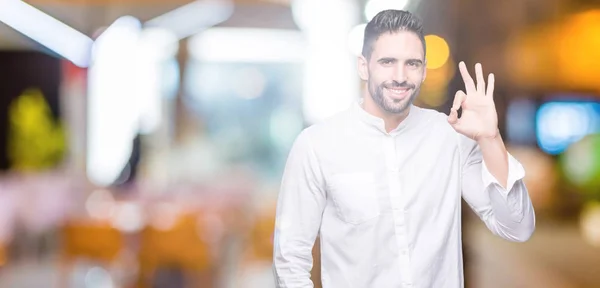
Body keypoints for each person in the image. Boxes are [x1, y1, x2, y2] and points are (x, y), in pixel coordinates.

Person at [272, 9, 535, 288]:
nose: (400, 76)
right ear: (364, 66)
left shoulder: (451, 137)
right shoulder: (316, 145)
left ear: (423, 70)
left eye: (412, 63)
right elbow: (291, 259)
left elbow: (517, 228)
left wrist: (490, 139)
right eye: (387, 61)